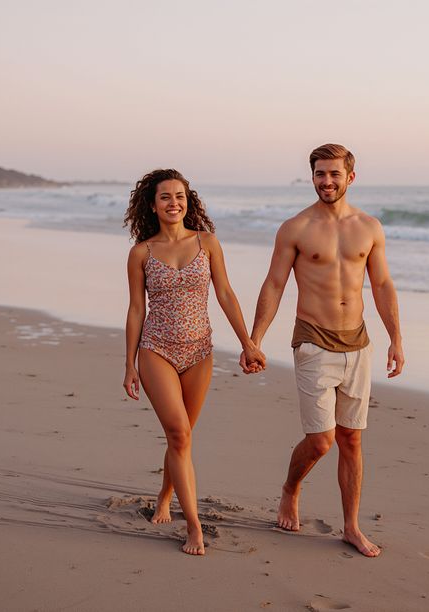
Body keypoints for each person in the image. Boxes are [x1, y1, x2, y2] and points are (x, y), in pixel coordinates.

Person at [245, 144, 404, 557]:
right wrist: (254, 339)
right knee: (321, 441)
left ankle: (351, 526)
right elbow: (274, 284)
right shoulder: (296, 228)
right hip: (313, 340)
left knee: (351, 438)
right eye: (319, 174)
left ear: (351, 177)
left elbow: (383, 285)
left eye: (334, 174)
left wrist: (396, 340)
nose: (326, 181)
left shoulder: (369, 227)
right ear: (312, 177)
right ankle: (290, 488)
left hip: (359, 342)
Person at [123, 169, 266, 555]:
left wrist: (248, 343)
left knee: (182, 435)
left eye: (180, 196)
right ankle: (194, 528)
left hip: (200, 351)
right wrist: (129, 363)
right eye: (166, 197)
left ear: (189, 200)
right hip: (157, 350)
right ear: (152, 205)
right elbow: (137, 309)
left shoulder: (207, 243)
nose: (174, 203)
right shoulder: (141, 252)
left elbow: (225, 294)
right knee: (179, 435)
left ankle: (165, 495)